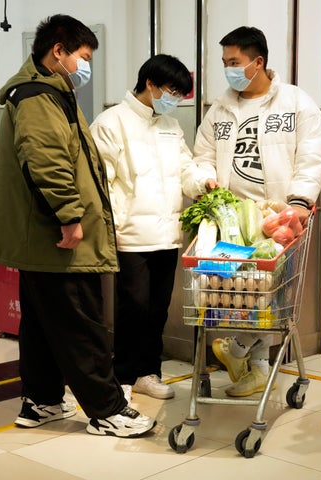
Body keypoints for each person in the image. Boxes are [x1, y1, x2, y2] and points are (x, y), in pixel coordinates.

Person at [0, 14, 155, 437]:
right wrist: (70, 217)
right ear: (59, 50)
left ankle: (42, 402)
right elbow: (47, 161)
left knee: (41, 322)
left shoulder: (47, 92)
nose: (85, 66)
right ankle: (107, 409)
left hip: (39, 236)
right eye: (83, 56)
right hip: (54, 234)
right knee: (80, 321)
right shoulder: (38, 96)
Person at [190, 26, 321, 397]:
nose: (229, 70)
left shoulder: (296, 104)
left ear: (258, 61)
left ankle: (240, 353)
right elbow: (201, 155)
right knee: (237, 294)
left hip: (277, 217)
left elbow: (312, 157)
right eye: (225, 63)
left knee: (271, 295)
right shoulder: (219, 109)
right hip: (231, 221)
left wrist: (298, 203)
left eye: (235, 62)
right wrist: (205, 182)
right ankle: (250, 365)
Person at [90, 54, 204, 401]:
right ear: (149, 84)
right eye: (171, 90)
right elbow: (101, 182)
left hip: (168, 235)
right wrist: (112, 227)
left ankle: (149, 373)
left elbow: (186, 168)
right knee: (133, 308)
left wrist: (203, 182)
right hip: (131, 237)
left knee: (157, 309)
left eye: (180, 94)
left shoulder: (170, 125)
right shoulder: (111, 123)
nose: (174, 99)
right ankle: (124, 375)